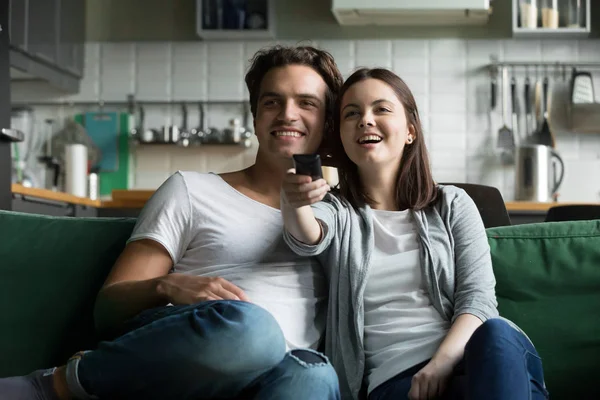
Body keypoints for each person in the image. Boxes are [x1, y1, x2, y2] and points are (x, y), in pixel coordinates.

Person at [1, 45, 344, 400]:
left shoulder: (338, 217)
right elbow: (108, 309)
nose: (288, 114)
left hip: (277, 381)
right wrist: (168, 286)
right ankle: (57, 385)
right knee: (255, 330)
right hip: (190, 364)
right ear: (255, 116)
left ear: (327, 123)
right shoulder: (192, 190)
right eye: (272, 102)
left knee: (315, 375)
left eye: (307, 103)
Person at [280, 68, 548, 400]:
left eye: (381, 109)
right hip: (399, 385)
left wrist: (440, 364)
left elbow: (478, 302)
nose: (365, 120)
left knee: (496, 333)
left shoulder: (453, 204)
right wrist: (293, 201)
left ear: (409, 131)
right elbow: (308, 234)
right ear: (342, 136)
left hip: (478, 358)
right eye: (352, 113)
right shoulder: (337, 212)